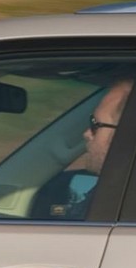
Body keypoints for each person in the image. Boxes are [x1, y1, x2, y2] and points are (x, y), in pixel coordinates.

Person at [32, 78, 130, 219]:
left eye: (95, 124)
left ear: (124, 134)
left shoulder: (117, 202)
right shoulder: (127, 195)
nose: (87, 134)